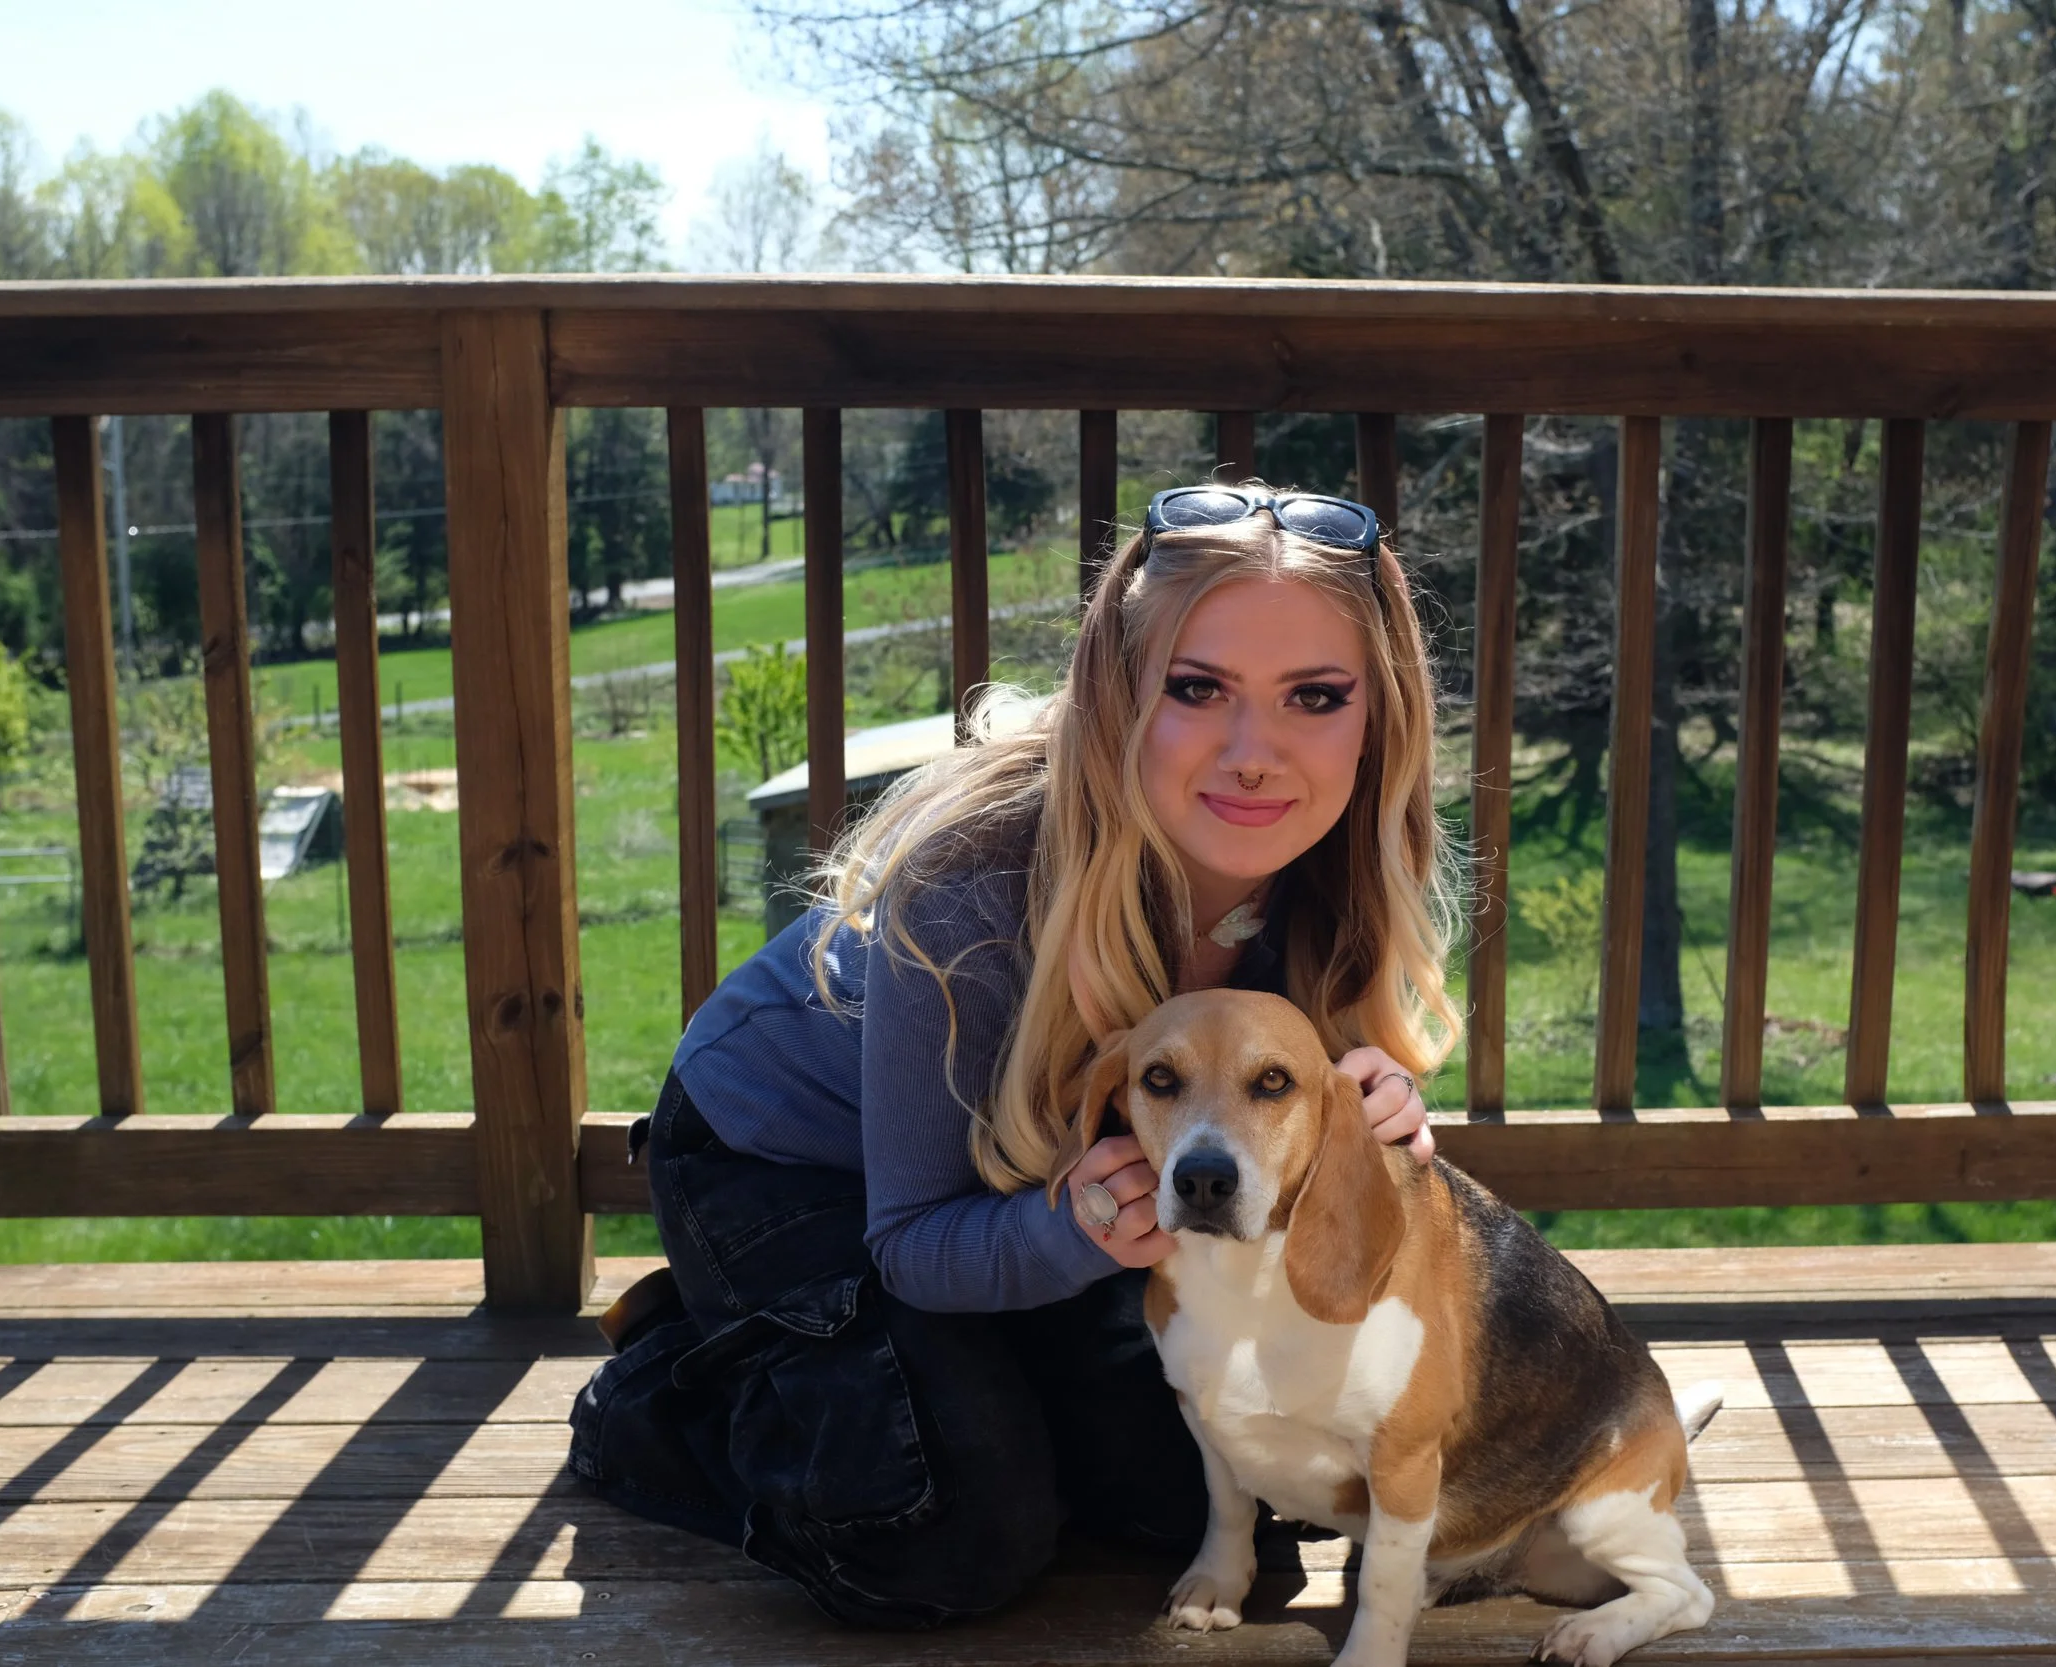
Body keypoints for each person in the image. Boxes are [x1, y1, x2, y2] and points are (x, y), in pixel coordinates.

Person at [568, 481, 1465, 1627]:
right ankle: (667, 1391)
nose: (1256, 753)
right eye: (1197, 689)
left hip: (1022, 1185)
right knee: (946, 1532)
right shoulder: (970, 890)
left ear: (1377, 715)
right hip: (786, 1164)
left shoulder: (1332, 881)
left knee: (1209, 1482)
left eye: (1315, 696)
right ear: (1116, 695)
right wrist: (1072, 1230)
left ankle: (951, 1385)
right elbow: (912, 1240)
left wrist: (1371, 1122)